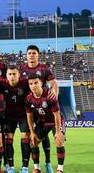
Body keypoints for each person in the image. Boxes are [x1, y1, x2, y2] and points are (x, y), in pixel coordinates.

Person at [19, 45, 59, 173]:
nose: (31, 55)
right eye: (29, 53)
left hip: (42, 106)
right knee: (27, 136)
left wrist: (54, 94)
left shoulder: (44, 68)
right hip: (27, 106)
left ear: (38, 55)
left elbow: (53, 83)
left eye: (34, 53)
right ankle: (26, 165)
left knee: (44, 133)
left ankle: (47, 163)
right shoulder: (22, 68)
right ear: (26, 55)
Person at [25, 74, 66, 173]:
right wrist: (32, 132)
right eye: (30, 84)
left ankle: (60, 169)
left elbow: (56, 115)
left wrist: (58, 131)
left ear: (41, 83)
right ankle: (37, 168)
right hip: (42, 123)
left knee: (59, 141)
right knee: (33, 142)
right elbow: (29, 117)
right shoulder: (28, 99)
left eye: (36, 83)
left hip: (55, 122)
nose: (33, 86)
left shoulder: (50, 96)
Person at [0, 65, 30, 173]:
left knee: (25, 138)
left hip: (23, 116)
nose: (12, 76)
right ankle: (11, 167)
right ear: (6, 76)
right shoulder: (1, 84)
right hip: (9, 117)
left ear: (19, 75)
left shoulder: (25, 84)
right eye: (10, 74)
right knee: (8, 140)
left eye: (14, 74)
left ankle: (25, 167)